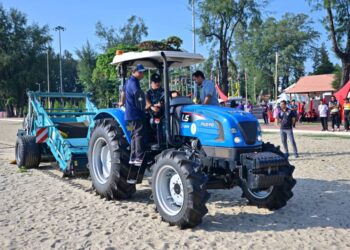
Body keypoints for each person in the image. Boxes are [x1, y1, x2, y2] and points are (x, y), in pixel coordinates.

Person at [125, 64, 147, 166]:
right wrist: (148, 105)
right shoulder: (134, 82)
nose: (142, 74)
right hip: (135, 114)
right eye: (140, 72)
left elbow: (123, 93)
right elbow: (138, 94)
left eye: (143, 72)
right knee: (139, 134)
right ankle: (139, 157)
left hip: (129, 114)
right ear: (134, 72)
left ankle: (133, 157)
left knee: (133, 135)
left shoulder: (129, 81)